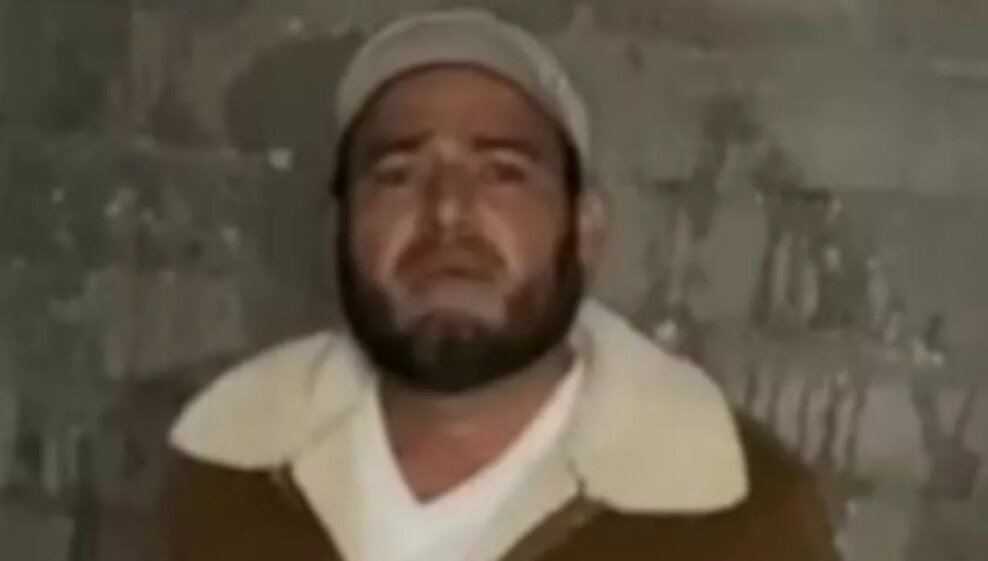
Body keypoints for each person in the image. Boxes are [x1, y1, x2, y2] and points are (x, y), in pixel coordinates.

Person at [162, 10, 840, 561]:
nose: (447, 213)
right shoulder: (225, 469)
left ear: (586, 228)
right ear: (339, 228)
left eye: (502, 173)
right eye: (397, 175)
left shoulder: (736, 516)